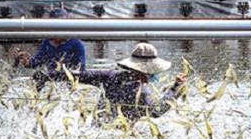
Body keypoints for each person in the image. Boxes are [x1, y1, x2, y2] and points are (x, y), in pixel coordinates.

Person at [44, 42, 186, 120]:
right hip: (120, 136)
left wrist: (47, 76)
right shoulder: (142, 92)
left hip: (98, 129)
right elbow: (157, 111)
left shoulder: (110, 75)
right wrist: (175, 88)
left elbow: (77, 76)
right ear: (147, 71)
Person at [14, 7, 86, 72]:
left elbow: (81, 70)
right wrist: (26, 61)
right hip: (53, 80)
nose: (58, 29)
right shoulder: (47, 43)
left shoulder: (75, 43)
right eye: (55, 27)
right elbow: (36, 63)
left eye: (61, 26)